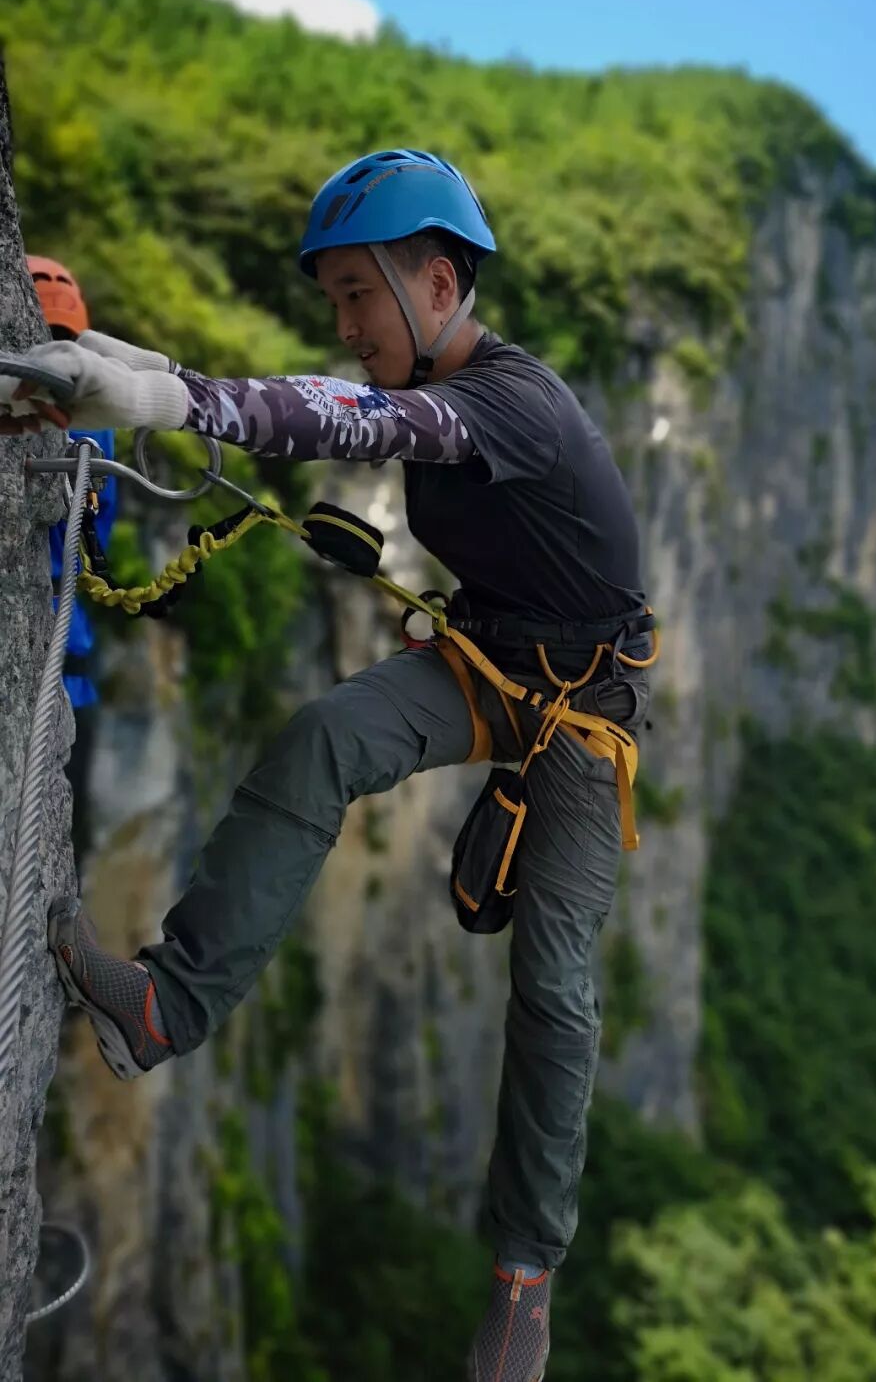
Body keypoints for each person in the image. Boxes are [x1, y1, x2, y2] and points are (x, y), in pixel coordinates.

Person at [1, 151, 654, 1382]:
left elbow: (343, 418)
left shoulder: (509, 402)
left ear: (441, 280)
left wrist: (159, 398)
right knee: (324, 739)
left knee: (557, 987)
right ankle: (167, 1000)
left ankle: (525, 1277)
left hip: (580, 710)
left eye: (360, 293)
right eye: (338, 299)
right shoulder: (441, 381)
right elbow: (317, 397)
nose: (346, 325)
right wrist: (128, 372)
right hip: (486, 654)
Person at [27, 255, 117, 872]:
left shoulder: (45, 412)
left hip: (53, 664)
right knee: (58, 861)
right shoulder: (101, 422)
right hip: (73, 673)